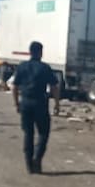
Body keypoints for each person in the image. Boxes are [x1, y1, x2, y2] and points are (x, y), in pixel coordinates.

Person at [11, 41, 60, 174]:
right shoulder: (45, 68)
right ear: (40, 52)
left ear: (29, 52)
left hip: (26, 103)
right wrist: (57, 104)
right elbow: (54, 87)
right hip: (40, 104)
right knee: (43, 133)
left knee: (28, 133)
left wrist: (16, 104)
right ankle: (37, 158)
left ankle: (28, 164)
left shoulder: (22, 67)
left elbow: (14, 87)